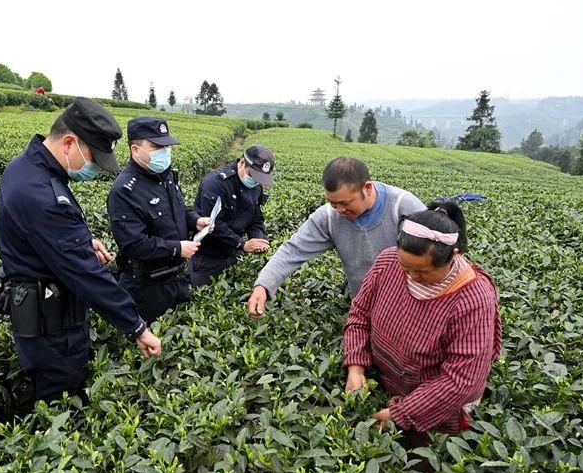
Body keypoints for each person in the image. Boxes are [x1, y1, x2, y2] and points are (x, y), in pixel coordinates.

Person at [0, 97, 161, 403]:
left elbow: (48, 235)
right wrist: (137, 327)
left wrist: (83, 240)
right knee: (59, 405)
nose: (95, 168)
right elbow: (86, 274)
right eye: (93, 158)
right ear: (69, 142)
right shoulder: (41, 194)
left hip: (46, 316)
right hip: (53, 331)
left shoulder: (28, 168)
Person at [343, 202, 502, 473]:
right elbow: (359, 315)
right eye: (406, 268)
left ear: (452, 257)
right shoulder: (388, 262)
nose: (411, 278)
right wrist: (355, 367)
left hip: (432, 405)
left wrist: (400, 414)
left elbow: (462, 381)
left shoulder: (473, 297)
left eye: (424, 272)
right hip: (383, 383)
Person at [247, 156, 425, 317]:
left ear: (368, 188)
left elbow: (435, 262)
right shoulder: (329, 217)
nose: (340, 210)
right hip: (364, 306)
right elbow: (293, 250)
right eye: (333, 204)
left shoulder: (403, 207)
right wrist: (263, 285)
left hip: (410, 307)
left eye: (345, 203)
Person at [107, 117, 210, 322]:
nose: (164, 151)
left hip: (176, 278)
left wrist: (195, 221)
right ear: (135, 150)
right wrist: (177, 248)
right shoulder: (125, 190)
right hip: (147, 288)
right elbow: (133, 244)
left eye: (166, 146)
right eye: (156, 146)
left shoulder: (165, 176)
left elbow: (179, 210)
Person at [190, 145, 274, 286]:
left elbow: (255, 217)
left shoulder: (256, 186)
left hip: (233, 252)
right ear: (241, 163)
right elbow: (213, 224)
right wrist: (242, 244)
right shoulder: (216, 183)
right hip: (207, 256)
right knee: (203, 295)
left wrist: (258, 238)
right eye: (252, 175)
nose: (255, 181)